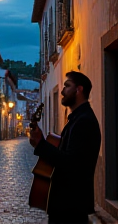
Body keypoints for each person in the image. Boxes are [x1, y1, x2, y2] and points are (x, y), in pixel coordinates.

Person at [29, 71, 101, 224]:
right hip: (67, 204)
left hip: (71, 205)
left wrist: (41, 144)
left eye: (67, 86)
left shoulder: (84, 122)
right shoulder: (77, 119)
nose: (62, 91)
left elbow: (70, 163)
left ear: (79, 89)